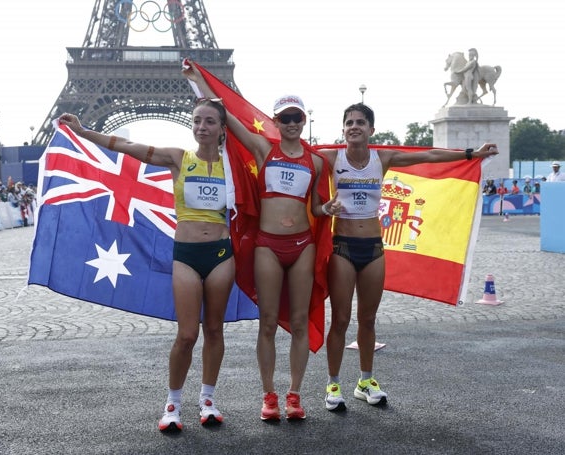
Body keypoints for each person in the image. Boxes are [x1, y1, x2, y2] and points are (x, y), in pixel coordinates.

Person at [59, 101, 234, 433]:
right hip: (186, 253)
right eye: (197, 120)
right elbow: (127, 146)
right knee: (186, 334)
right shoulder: (180, 158)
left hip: (221, 253)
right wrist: (83, 131)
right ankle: (173, 404)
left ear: (222, 128)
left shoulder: (233, 166)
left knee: (214, 330)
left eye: (210, 121)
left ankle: (208, 399)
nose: (201, 127)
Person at [315, 103, 499, 410]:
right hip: (342, 247)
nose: (354, 126)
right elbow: (292, 155)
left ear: (371, 130)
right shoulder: (331, 158)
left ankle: (365, 381)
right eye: (349, 122)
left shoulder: (382, 158)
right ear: (343, 129)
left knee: (368, 319)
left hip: (373, 248)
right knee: (341, 319)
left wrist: (471, 154)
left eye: (361, 122)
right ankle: (333, 385)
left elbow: (428, 155)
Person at [184, 62, 333, 421]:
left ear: (303, 121)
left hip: (301, 245)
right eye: (285, 118)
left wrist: (327, 207)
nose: (292, 123)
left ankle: (294, 394)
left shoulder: (316, 162)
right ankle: (268, 395)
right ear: (277, 122)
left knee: (299, 322)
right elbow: (227, 118)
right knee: (267, 322)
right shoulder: (264, 150)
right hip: (268, 244)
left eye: (297, 117)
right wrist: (200, 81)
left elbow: (314, 206)